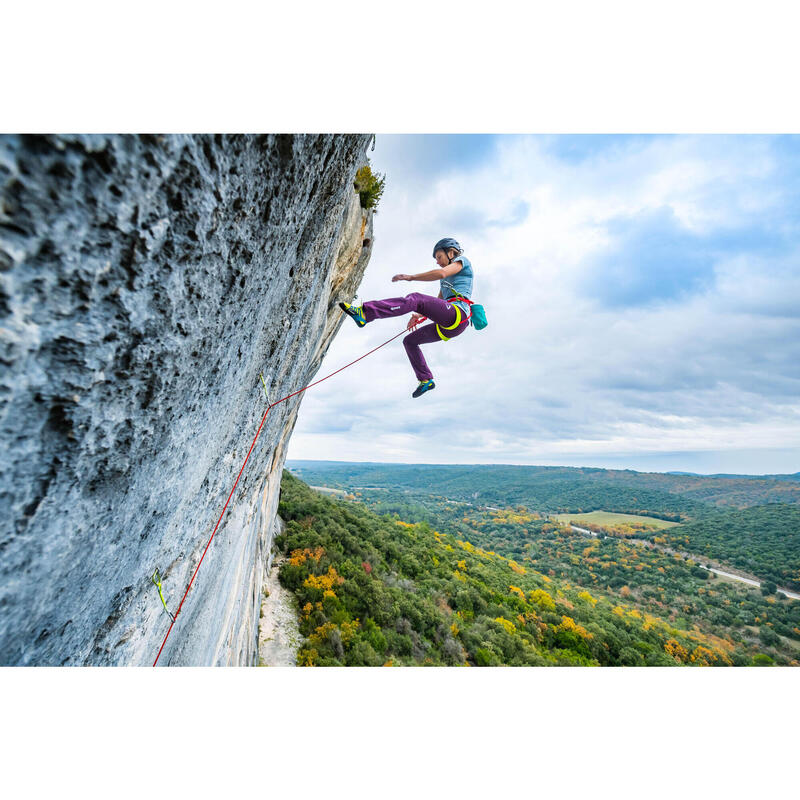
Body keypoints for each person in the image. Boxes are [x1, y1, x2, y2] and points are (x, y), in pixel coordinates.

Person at [339, 237, 474, 398]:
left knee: (416, 298)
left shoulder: (461, 261)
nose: (437, 262)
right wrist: (419, 315)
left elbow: (442, 272)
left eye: (439, 257)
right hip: (451, 325)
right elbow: (438, 302)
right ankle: (426, 379)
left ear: (451, 252)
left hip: (459, 314)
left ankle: (365, 313)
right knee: (409, 341)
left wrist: (411, 277)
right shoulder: (445, 281)